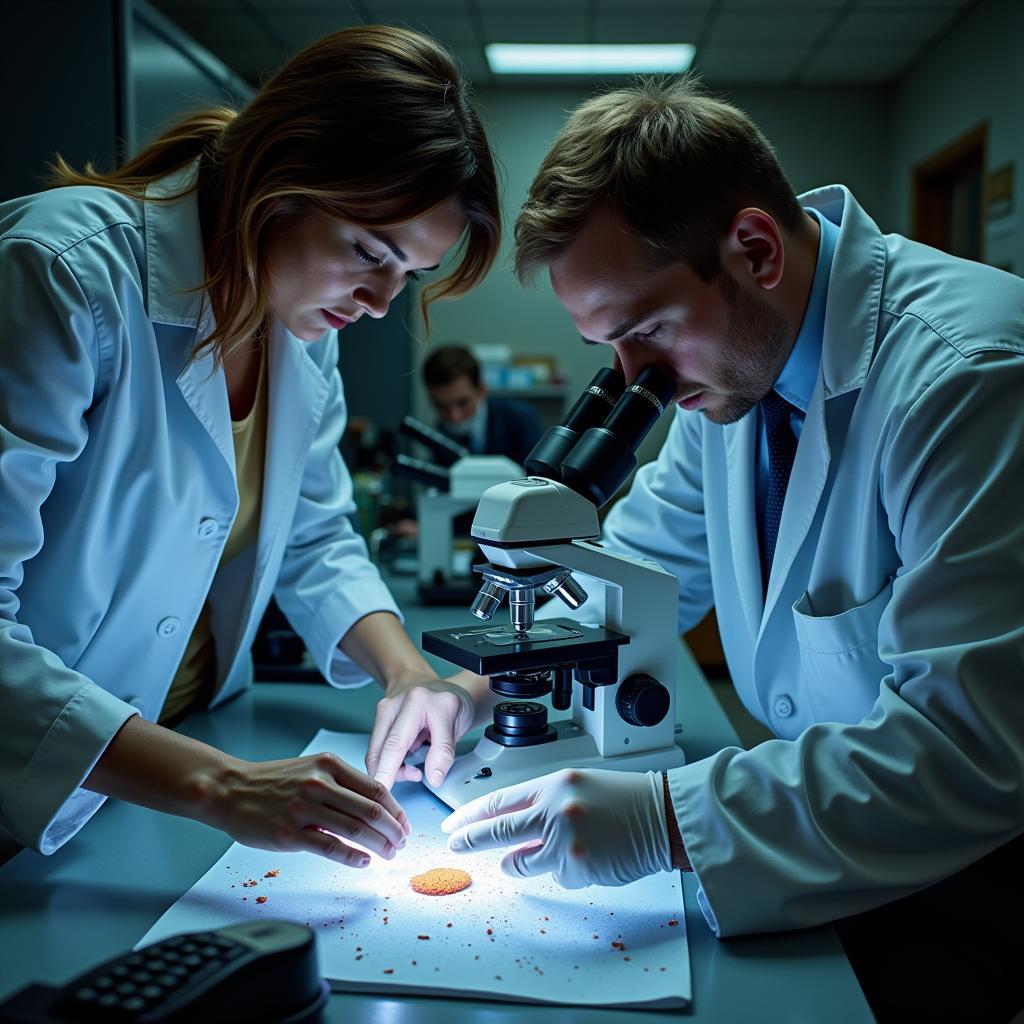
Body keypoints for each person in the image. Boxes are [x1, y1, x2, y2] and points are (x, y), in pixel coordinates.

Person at [368, 76, 1024, 1020]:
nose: (639, 383)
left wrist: (667, 817)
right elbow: (647, 562)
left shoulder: (969, 380)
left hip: (973, 878)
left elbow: (970, 750)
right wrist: (478, 688)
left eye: (644, 332)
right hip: (841, 834)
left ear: (754, 250)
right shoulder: (732, 372)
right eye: (611, 350)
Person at [0, 25, 504, 870]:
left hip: (172, 748)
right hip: (40, 782)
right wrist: (223, 788)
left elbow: (314, 534)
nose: (381, 301)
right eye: (369, 253)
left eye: (408, 275)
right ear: (280, 180)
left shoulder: (301, 329)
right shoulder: (62, 274)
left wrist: (407, 673)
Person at [421, 343, 543, 465]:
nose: (455, 416)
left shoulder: (521, 420)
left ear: (481, 390)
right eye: (442, 406)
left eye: (462, 403)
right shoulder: (438, 434)